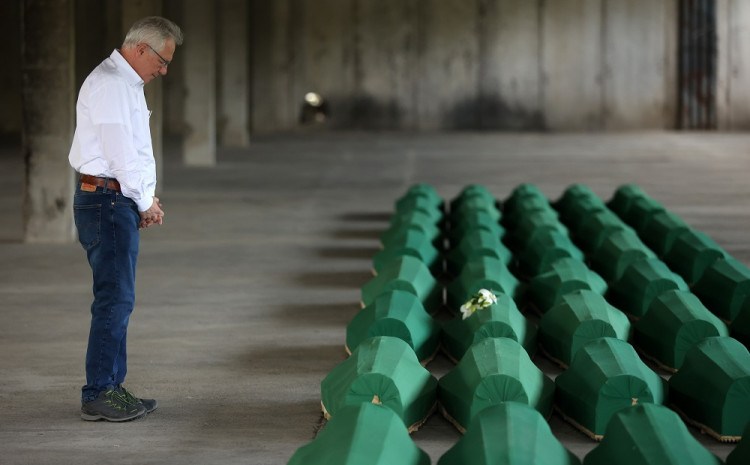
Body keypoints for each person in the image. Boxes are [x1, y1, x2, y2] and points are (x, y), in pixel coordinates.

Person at [68, 16, 183, 422]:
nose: (164, 70)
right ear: (140, 49)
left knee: (119, 298)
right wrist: (143, 200)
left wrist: (143, 198)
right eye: (162, 61)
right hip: (105, 201)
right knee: (114, 299)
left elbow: (134, 150)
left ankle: (112, 387)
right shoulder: (113, 85)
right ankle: (98, 391)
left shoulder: (125, 84)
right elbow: (119, 153)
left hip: (114, 200)